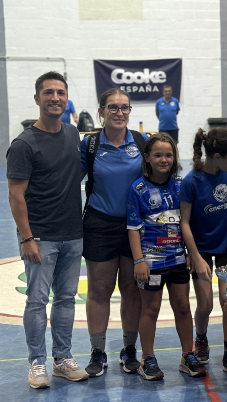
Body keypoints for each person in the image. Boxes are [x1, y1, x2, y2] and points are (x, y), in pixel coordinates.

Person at [7, 71, 88, 389]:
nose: (55, 97)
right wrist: (26, 237)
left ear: (66, 98)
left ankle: (62, 360)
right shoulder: (24, 144)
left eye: (61, 92)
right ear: (37, 98)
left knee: (67, 299)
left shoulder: (72, 134)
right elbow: (15, 195)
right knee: (37, 301)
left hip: (73, 234)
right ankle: (37, 363)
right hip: (40, 236)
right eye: (49, 92)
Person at [127, 133, 207, 381]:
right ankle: (147, 358)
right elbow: (132, 227)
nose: (164, 160)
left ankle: (187, 355)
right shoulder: (138, 189)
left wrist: (192, 254)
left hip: (178, 260)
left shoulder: (182, 186)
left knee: (183, 307)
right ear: (147, 158)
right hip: (150, 262)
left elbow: (187, 222)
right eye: (158, 155)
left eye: (169, 155)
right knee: (150, 309)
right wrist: (139, 261)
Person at [82, 88, 147, 377]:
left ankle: (129, 349)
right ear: (102, 111)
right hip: (99, 224)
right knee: (99, 290)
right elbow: (69, 179)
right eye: (113, 107)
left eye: (124, 107)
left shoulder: (142, 141)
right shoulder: (91, 144)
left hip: (135, 226)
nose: (119, 112)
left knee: (132, 289)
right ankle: (98, 352)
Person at [179, 128, 227, 377]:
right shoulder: (191, 182)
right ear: (216, 156)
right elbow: (184, 222)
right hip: (202, 249)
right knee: (205, 304)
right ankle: (202, 338)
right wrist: (194, 256)